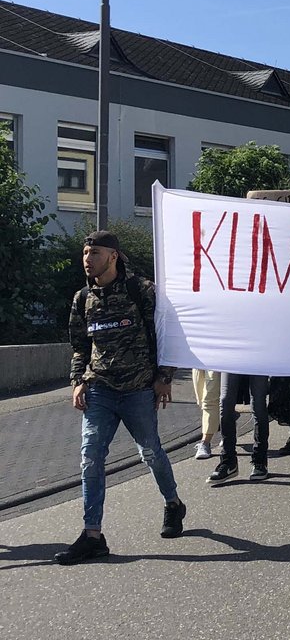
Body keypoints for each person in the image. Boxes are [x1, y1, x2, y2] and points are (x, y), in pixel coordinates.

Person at [56, 231, 186, 565]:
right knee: (90, 457)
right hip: (99, 389)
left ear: (113, 256)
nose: (88, 259)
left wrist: (164, 377)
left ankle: (173, 503)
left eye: (95, 253)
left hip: (138, 389)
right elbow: (79, 346)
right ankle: (92, 536)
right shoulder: (82, 298)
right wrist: (77, 381)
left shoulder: (141, 290)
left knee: (150, 452)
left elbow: (168, 333)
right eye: (85, 252)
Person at [207, 372, 271, 484]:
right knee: (225, 402)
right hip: (231, 362)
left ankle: (260, 461)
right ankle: (228, 461)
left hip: (258, 361)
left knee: (259, 403)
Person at [191, 369, 220, 460]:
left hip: (215, 363)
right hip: (198, 362)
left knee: (209, 399)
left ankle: (205, 442)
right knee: (200, 398)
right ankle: (227, 421)